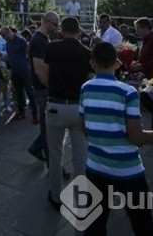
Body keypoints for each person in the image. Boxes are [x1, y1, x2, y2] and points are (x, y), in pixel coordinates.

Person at [80, 42, 153, 236]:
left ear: (92, 63)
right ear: (117, 63)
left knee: (94, 226)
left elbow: (85, 129)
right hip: (128, 170)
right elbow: (136, 137)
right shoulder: (128, 92)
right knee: (143, 224)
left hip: (96, 167)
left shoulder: (86, 89)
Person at [40, 17, 92, 209]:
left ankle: (55, 196)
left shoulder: (51, 48)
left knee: (55, 154)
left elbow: (46, 73)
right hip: (79, 107)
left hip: (56, 105)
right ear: (79, 31)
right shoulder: (87, 52)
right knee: (81, 157)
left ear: (61, 30)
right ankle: (82, 199)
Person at [27, 12, 59, 167]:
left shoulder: (43, 39)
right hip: (43, 89)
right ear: (47, 22)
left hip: (42, 88)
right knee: (48, 129)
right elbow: (39, 70)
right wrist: (51, 88)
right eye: (55, 24)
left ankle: (36, 147)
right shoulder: (39, 41)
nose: (56, 27)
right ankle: (51, 164)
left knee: (49, 126)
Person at [130, 17, 153, 130]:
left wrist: (141, 66)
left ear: (146, 28)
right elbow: (147, 57)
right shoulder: (148, 40)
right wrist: (138, 63)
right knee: (149, 102)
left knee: (151, 103)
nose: (137, 32)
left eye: (138, 29)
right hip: (148, 75)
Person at [1, 26, 37, 123]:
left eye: (4, 36)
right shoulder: (8, 44)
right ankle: (21, 112)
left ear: (8, 33)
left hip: (25, 70)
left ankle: (35, 114)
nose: (4, 38)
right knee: (19, 93)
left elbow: (29, 53)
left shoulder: (21, 41)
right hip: (15, 71)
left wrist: (29, 65)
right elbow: (10, 56)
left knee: (29, 91)